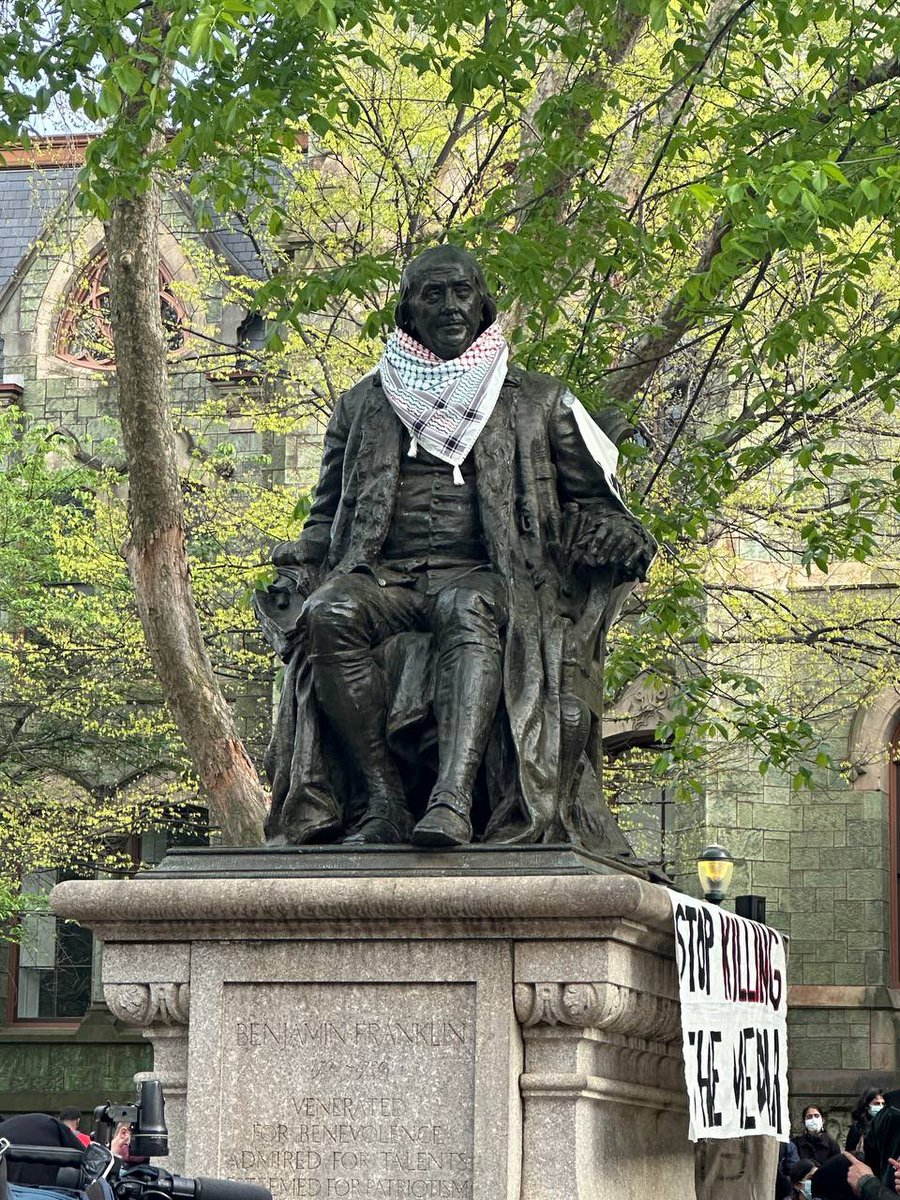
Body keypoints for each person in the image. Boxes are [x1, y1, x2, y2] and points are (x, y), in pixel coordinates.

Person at [257, 244, 656, 849]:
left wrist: (613, 534)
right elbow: (325, 517)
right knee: (329, 612)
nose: (449, 307)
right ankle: (383, 797)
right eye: (432, 294)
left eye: (461, 292)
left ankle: (452, 800)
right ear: (409, 312)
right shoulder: (363, 403)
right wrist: (298, 567)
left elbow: (599, 501)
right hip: (385, 577)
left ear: (482, 304)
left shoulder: (538, 401)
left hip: (493, 576)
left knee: (463, 607)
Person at [847, 1090, 887, 1158]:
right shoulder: (857, 1128)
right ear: (866, 1106)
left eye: (883, 1104)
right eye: (877, 1103)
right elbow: (849, 1153)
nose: (881, 1107)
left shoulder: (888, 1126)